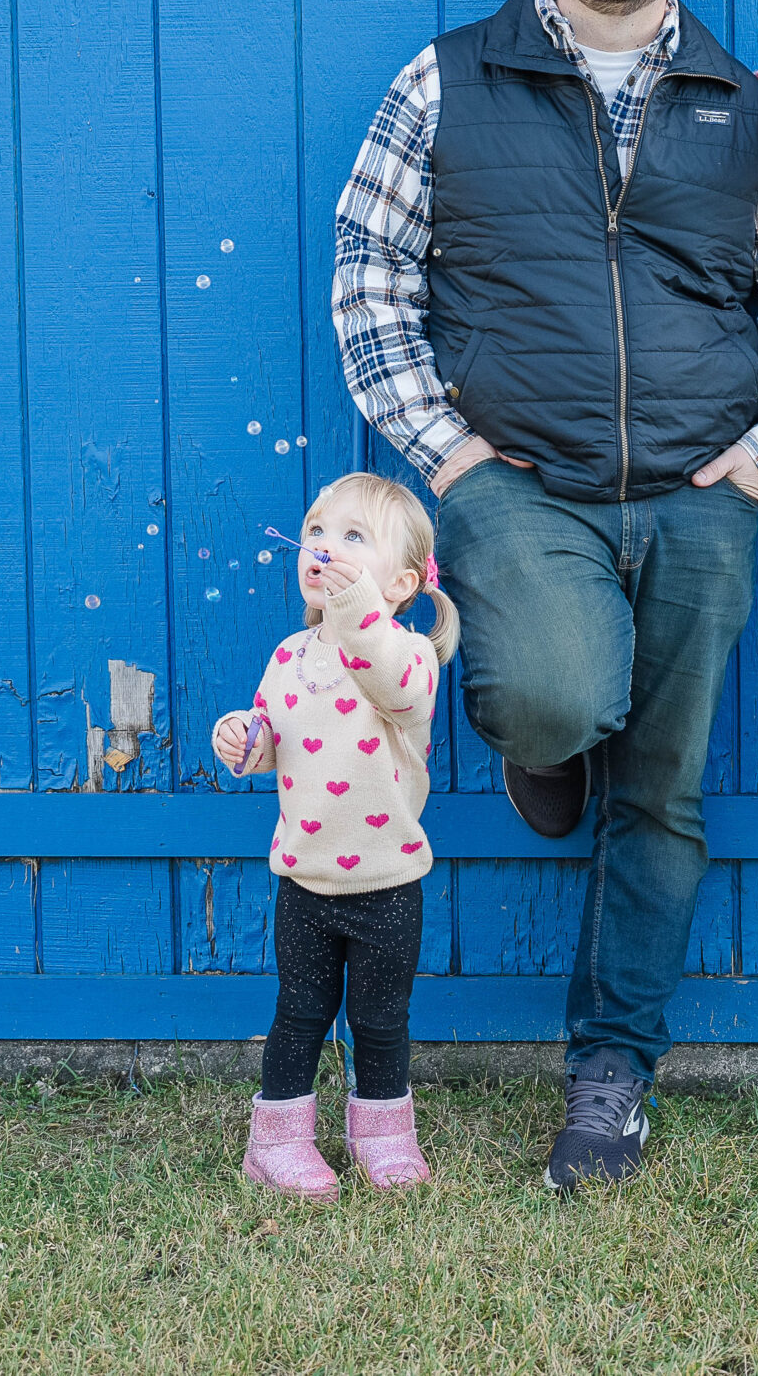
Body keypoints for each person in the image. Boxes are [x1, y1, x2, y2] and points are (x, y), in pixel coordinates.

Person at [332, 0, 758, 1190]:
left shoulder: (747, 106)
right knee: (560, 696)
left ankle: (610, 1072)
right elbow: (369, 271)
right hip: (518, 482)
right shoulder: (449, 80)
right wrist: (449, 458)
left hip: (701, 497)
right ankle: (544, 739)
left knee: (663, 793)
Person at [212, 473, 460, 1202]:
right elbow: (270, 737)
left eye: (354, 537)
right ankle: (276, 1144)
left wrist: (356, 610)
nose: (324, 546)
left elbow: (389, 682)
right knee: (299, 1013)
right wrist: (242, 738)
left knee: (380, 1020)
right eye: (317, 531)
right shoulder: (290, 655)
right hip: (305, 882)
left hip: (387, 885)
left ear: (404, 580)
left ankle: (382, 1135)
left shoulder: (410, 655)